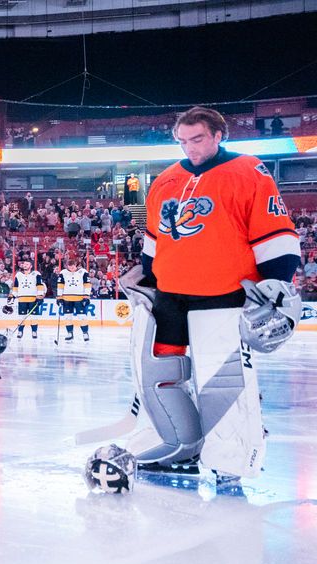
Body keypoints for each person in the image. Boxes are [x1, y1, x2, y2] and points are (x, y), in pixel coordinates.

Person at [125, 105, 301, 481]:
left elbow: (276, 234)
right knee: (158, 374)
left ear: (219, 135)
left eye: (197, 139)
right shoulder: (166, 180)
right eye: (183, 141)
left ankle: (230, 458)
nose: (189, 147)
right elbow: (154, 242)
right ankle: (175, 442)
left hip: (223, 295)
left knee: (220, 381)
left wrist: (275, 286)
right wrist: (147, 280)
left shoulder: (248, 171)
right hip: (168, 298)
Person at [56, 256, 91, 342]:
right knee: (68, 317)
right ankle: (70, 333)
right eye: (70, 267)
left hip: (79, 298)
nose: (72, 268)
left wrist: (86, 296)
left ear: (76, 265)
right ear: (67, 266)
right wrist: (59, 297)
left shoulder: (83, 272)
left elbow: (87, 285)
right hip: (66, 298)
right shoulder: (63, 273)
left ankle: (85, 333)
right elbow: (60, 286)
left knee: (82, 317)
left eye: (73, 266)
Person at [10, 258, 45, 339]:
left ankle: (34, 331)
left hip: (33, 299)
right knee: (21, 317)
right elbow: (16, 287)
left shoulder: (36, 274)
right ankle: (20, 331)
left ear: (31, 266)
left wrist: (40, 296)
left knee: (34, 317)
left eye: (27, 264)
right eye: (24, 264)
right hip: (22, 299)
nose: (25, 265)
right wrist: (13, 296)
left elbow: (40, 286)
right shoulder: (18, 275)